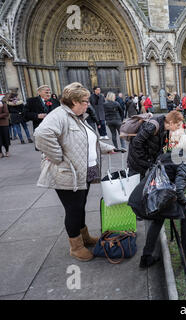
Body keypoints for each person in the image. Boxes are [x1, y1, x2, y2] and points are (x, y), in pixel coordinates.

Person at [34, 82, 116, 261]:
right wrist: (57, 156)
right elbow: (41, 135)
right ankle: (76, 246)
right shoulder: (59, 115)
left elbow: (86, 141)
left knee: (80, 207)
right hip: (67, 174)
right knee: (73, 209)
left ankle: (84, 238)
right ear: (74, 101)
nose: (88, 104)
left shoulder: (77, 117)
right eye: (85, 101)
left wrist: (106, 148)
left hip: (84, 172)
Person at [139, 134, 186, 267]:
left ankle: (146, 256)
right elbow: (179, 189)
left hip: (152, 196)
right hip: (159, 198)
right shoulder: (185, 161)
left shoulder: (170, 154)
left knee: (158, 218)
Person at [127, 110, 184, 179]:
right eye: (178, 125)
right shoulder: (153, 126)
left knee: (146, 183)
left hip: (147, 159)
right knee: (135, 183)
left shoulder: (166, 130)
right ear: (171, 123)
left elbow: (160, 146)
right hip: (136, 159)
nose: (178, 127)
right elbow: (136, 142)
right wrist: (145, 159)